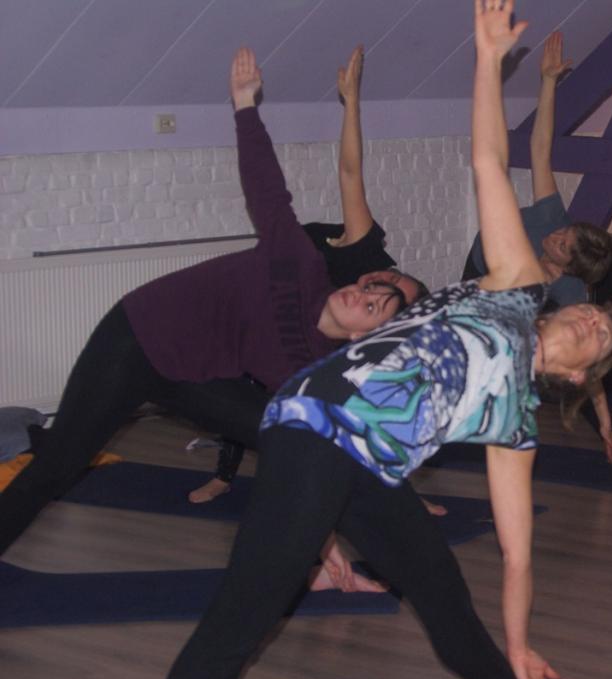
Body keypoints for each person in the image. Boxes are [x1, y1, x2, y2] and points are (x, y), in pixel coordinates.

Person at [150, 12, 612, 679]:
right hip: (318, 428)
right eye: (595, 313)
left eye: (598, 336)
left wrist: (519, 645)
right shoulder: (515, 286)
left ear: (575, 374)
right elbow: (486, 161)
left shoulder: (515, 427)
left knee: (440, 589)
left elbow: (517, 557)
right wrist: (485, 60)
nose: (591, 322)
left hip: (364, 463)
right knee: (234, 630)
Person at [0, 47, 414, 562]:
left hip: (187, 374)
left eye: (373, 308)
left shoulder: (309, 366)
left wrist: (327, 547)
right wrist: (245, 105)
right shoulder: (301, 262)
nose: (363, 294)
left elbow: (315, 443)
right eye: (372, 289)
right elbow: (268, 191)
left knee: (295, 437)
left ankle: (324, 561)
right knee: (58, 466)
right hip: (137, 338)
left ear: (360, 338)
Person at [188, 46, 430, 508]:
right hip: (265, 300)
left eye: (393, 294)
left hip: (298, 339)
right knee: (236, 380)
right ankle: (225, 473)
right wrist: (352, 102)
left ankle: (386, 493)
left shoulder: (360, 315)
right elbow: (350, 172)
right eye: (394, 277)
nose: (384, 281)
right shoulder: (365, 248)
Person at [460, 30, 612, 470]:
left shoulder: (567, 295)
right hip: (477, 269)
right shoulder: (553, 217)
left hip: (514, 297)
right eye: (566, 234)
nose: (556, 237)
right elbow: (540, 150)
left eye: (563, 247)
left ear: (567, 269)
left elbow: (592, 370)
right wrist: (548, 82)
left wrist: (609, 427)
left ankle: (610, 439)